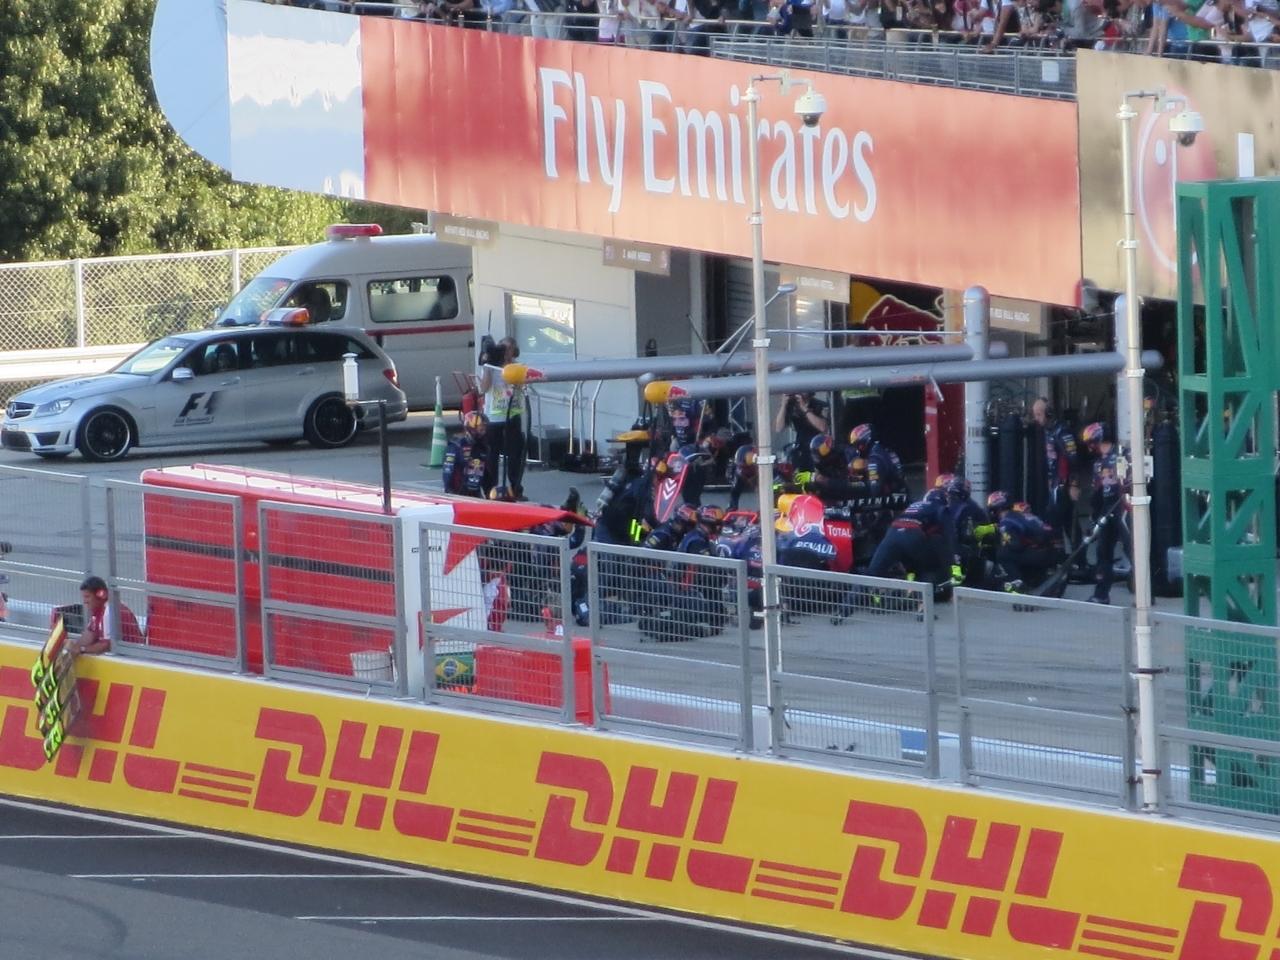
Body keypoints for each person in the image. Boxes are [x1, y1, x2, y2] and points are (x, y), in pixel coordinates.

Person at [1081, 422, 1131, 605]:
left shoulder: (1122, 455)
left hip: (1123, 505)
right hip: (1107, 507)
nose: (1090, 446)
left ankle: (1147, 593)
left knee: (1132, 548)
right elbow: (1098, 492)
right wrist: (1094, 517)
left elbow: (1131, 481)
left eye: (1091, 442)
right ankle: (1101, 595)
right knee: (1103, 551)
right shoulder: (1098, 463)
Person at [477, 336, 527, 500]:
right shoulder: (491, 366)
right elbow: (483, 389)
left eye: (509, 349)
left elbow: (522, 385)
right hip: (494, 416)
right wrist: (488, 367)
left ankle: (515, 488)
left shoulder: (516, 366)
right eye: (502, 348)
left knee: (515, 454)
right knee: (492, 454)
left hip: (512, 414)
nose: (505, 352)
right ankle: (491, 489)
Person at [1031, 398, 1078, 549]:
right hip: (1053, 483)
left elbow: (1073, 458)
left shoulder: (1062, 432)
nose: (1036, 418)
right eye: (1035, 415)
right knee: (1062, 523)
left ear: (1049, 413)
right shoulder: (1045, 431)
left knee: (1060, 522)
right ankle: (1064, 556)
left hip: (1063, 484)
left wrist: (1073, 484)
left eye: (1039, 414)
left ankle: (1075, 558)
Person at [987, 494, 1056, 592]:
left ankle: (1016, 583)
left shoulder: (1006, 522)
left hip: (1040, 553)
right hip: (1047, 551)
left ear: (997, 509)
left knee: (1002, 554)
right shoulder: (1018, 515)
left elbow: (1015, 546)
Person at [70, 575, 143, 655]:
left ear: (101, 595)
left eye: (87, 597)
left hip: (132, 656)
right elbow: (90, 633)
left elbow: (107, 645)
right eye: (83, 597)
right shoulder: (99, 609)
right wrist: (74, 646)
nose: (84, 601)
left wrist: (81, 649)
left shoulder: (109, 611)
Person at [775, 392, 829, 471]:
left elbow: (823, 427)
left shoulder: (819, 405)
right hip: (801, 447)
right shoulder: (793, 406)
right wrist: (783, 406)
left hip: (818, 447)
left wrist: (805, 409)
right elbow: (779, 428)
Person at [442, 411, 491, 497]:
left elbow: (486, 474)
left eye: (484, 428)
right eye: (481, 428)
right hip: (457, 493)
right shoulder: (456, 445)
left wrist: (489, 494)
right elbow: (448, 472)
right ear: (471, 428)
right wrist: (449, 492)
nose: (483, 431)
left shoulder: (483, 447)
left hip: (475, 494)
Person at [727, 445, 759, 511]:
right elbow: (739, 473)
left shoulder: (759, 465)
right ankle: (732, 507)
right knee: (735, 490)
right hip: (745, 476)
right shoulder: (740, 469)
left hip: (759, 475)